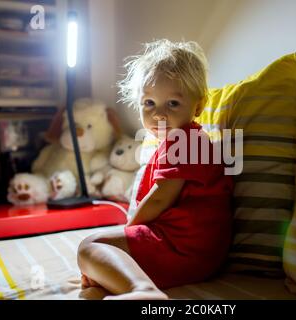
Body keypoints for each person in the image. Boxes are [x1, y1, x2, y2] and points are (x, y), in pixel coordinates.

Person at [77, 39, 233, 300]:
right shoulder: (181, 141)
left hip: (183, 247)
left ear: (198, 106)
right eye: (149, 103)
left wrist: (128, 230)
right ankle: (117, 281)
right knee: (100, 257)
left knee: (91, 246)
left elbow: (161, 198)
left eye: (172, 104)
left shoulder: (184, 140)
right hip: (197, 254)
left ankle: (143, 291)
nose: (158, 114)